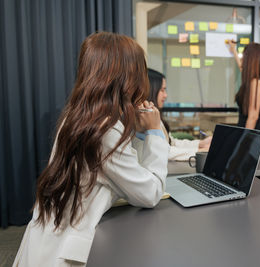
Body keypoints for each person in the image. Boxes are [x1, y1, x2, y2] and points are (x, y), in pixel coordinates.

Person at [13, 32, 169, 267]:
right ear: (127, 76)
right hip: (62, 252)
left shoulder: (83, 117)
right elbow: (150, 193)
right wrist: (155, 132)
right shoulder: (105, 129)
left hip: (46, 239)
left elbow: (127, 168)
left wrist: (138, 131)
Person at [147, 68, 212, 161]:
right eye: (162, 90)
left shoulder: (154, 115)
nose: (166, 95)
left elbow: (171, 143)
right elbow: (165, 152)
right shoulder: (144, 119)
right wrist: (200, 151)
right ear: (151, 90)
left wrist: (201, 143)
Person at [229, 41, 260, 139]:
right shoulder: (251, 80)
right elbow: (242, 68)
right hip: (248, 132)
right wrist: (233, 50)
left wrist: (243, 142)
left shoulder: (255, 83)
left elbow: (253, 117)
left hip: (254, 135)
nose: (242, 58)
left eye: (244, 56)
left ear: (250, 60)